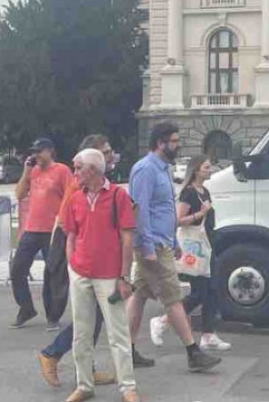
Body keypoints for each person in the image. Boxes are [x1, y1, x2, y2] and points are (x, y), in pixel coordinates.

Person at [126, 122, 222, 373]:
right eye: (174, 141)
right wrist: (148, 247)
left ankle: (126, 350)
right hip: (153, 246)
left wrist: (174, 240)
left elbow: (164, 210)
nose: (178, 145)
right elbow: (140, 211)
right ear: (160, 143)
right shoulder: (145, 170)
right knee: (173, 298)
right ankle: (193, 352)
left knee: (140, 295)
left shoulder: (162, 169)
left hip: (161, 242)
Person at [62, 149, 141, 402]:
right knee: (81, 333)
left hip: (109, 274)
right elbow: (71, 235)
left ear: (92, 170)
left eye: (77, 168)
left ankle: (127, 386)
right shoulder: (75, 198)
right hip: (81, 272)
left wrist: (124, 276)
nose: (74, 173)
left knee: (117, 333)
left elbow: (127, 239)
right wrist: (72, 265)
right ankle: (84, 384)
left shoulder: (118, 196)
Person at [39, 134, 117, 387]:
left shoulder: (99, 184)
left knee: (94, 315)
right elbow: (65, 223)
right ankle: (52, 353)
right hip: (75, 250)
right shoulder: (78, 184)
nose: (111, 155)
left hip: (88, 252)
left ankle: (85, 366)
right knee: (90, 314)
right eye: (105, 152)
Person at [149, 155, 231, 351]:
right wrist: (200, 214)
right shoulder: (188, 193)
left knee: (212, 290)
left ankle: (208, 334)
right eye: (206, 167)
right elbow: (177, 220)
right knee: (200, 291)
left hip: (207, 245)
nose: (210, 170)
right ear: (196, 170)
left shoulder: (205, 192)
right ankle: (163, 320)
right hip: (194, 246)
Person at [11, 137, 72, 329]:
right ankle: (26, 307)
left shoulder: (61, 170)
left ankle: (53, 315)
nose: (36, 155)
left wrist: (65, 224)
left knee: (54, 274)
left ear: (50, 151)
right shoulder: (33, 171)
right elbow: (20, 194)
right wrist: (26, 171)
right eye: (34, 152)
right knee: (17, 269)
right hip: (32, 228)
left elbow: (71, 197)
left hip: (53, 229)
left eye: (39, 151)